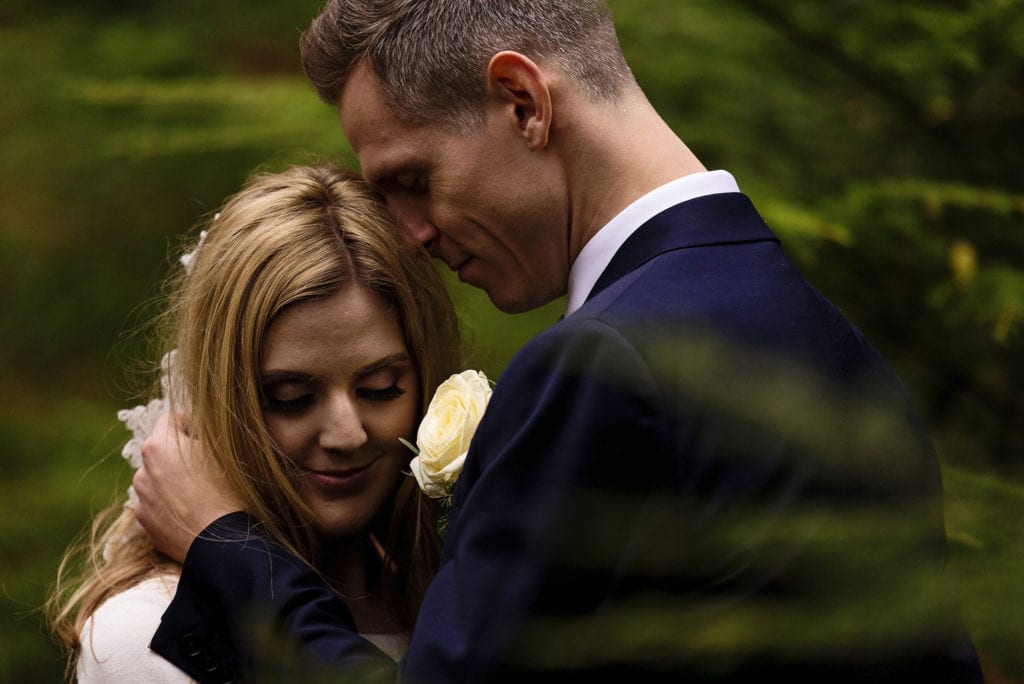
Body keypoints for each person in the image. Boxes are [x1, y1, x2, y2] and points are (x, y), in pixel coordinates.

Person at [133, 1, 984, 681]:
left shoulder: (604, 366)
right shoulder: (819, 330)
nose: (411, 235)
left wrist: (228, 547)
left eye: (412, 180)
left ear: (523, 103)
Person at [47, 163, 461, 681]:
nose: (346, 435)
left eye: (381, 389)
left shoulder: (451, 602)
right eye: (290, 397)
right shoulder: (148, 632)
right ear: (221, 396)